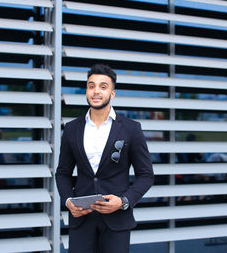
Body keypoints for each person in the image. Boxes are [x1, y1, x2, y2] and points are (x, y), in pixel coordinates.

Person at [55, 64, 154, 253]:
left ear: (112, 93)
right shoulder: (71, 129)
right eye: (91, 86)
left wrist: (124, 201)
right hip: (81, 220)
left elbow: (146, 175)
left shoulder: (131, 128)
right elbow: (63, 173)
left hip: (117, 220)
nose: (96, 91)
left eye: (103, 86)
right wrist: (68, 201)